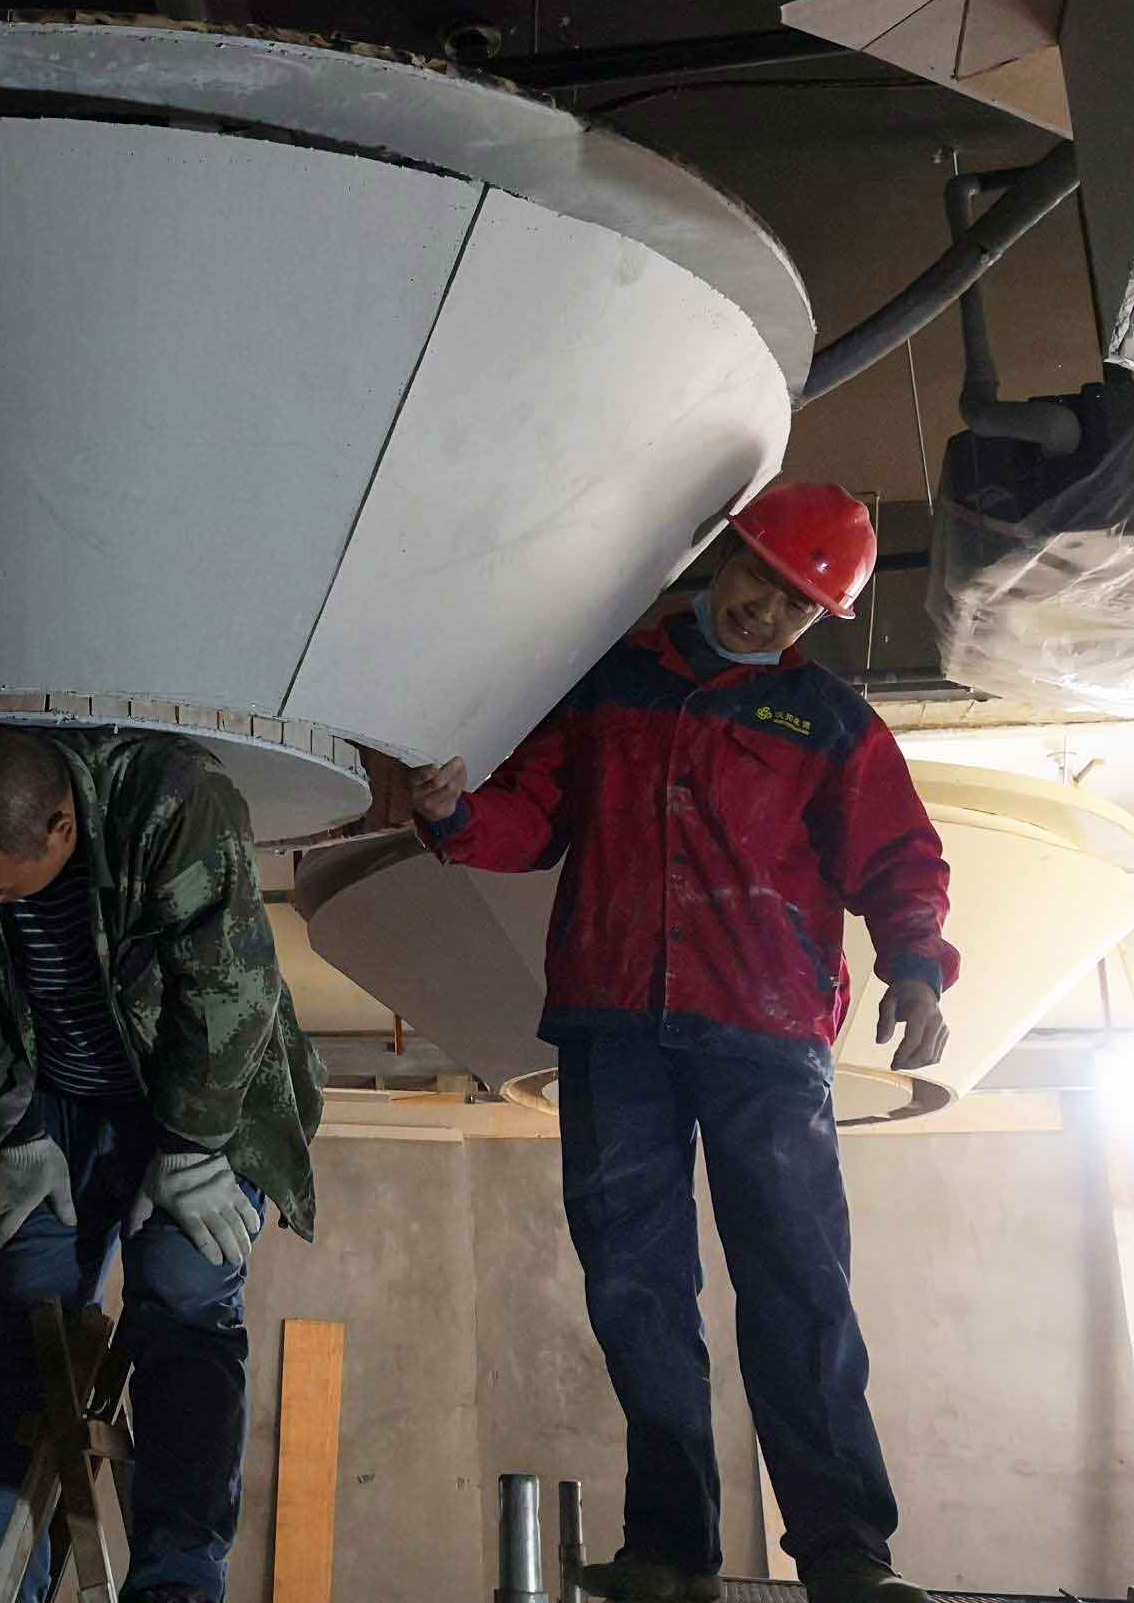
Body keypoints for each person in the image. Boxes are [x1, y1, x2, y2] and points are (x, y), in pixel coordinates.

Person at [406, 482, 955, 1603]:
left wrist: (915, 962)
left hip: (766, 1035)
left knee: (796, 1285)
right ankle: (669, 1550)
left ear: (816, 623)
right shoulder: (608, 684)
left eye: (798, 606)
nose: (766, 611)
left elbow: (898, 854)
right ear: (725, 555)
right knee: (634, 1290)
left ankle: (846, 1552)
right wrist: (455, 816)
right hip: (615, 1025)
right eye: (760, 579)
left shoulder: (830, 723)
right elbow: (533, 816)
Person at [0, 725, 324, 1603]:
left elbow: (231, 985)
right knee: (23, 1314)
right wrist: (13, 1128)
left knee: (184, 1299)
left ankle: (177, 1583)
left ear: (61, 828)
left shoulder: (176, 801)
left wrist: (193, 1147)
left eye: (4, 892)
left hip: (197, 1097)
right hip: (51, 1104)